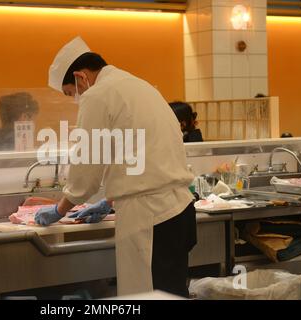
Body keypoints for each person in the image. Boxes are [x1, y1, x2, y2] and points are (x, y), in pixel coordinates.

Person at [34, 36, 197, 297]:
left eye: (70, 93)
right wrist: (110, 201)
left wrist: (60, 208)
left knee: (148, 296)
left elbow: (87, 164)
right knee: (172, 292)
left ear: (81, 77)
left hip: (150, 216)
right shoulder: (137, 85)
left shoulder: (97, 94)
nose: (75, 99)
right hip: (179, 210)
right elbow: (138, 155)